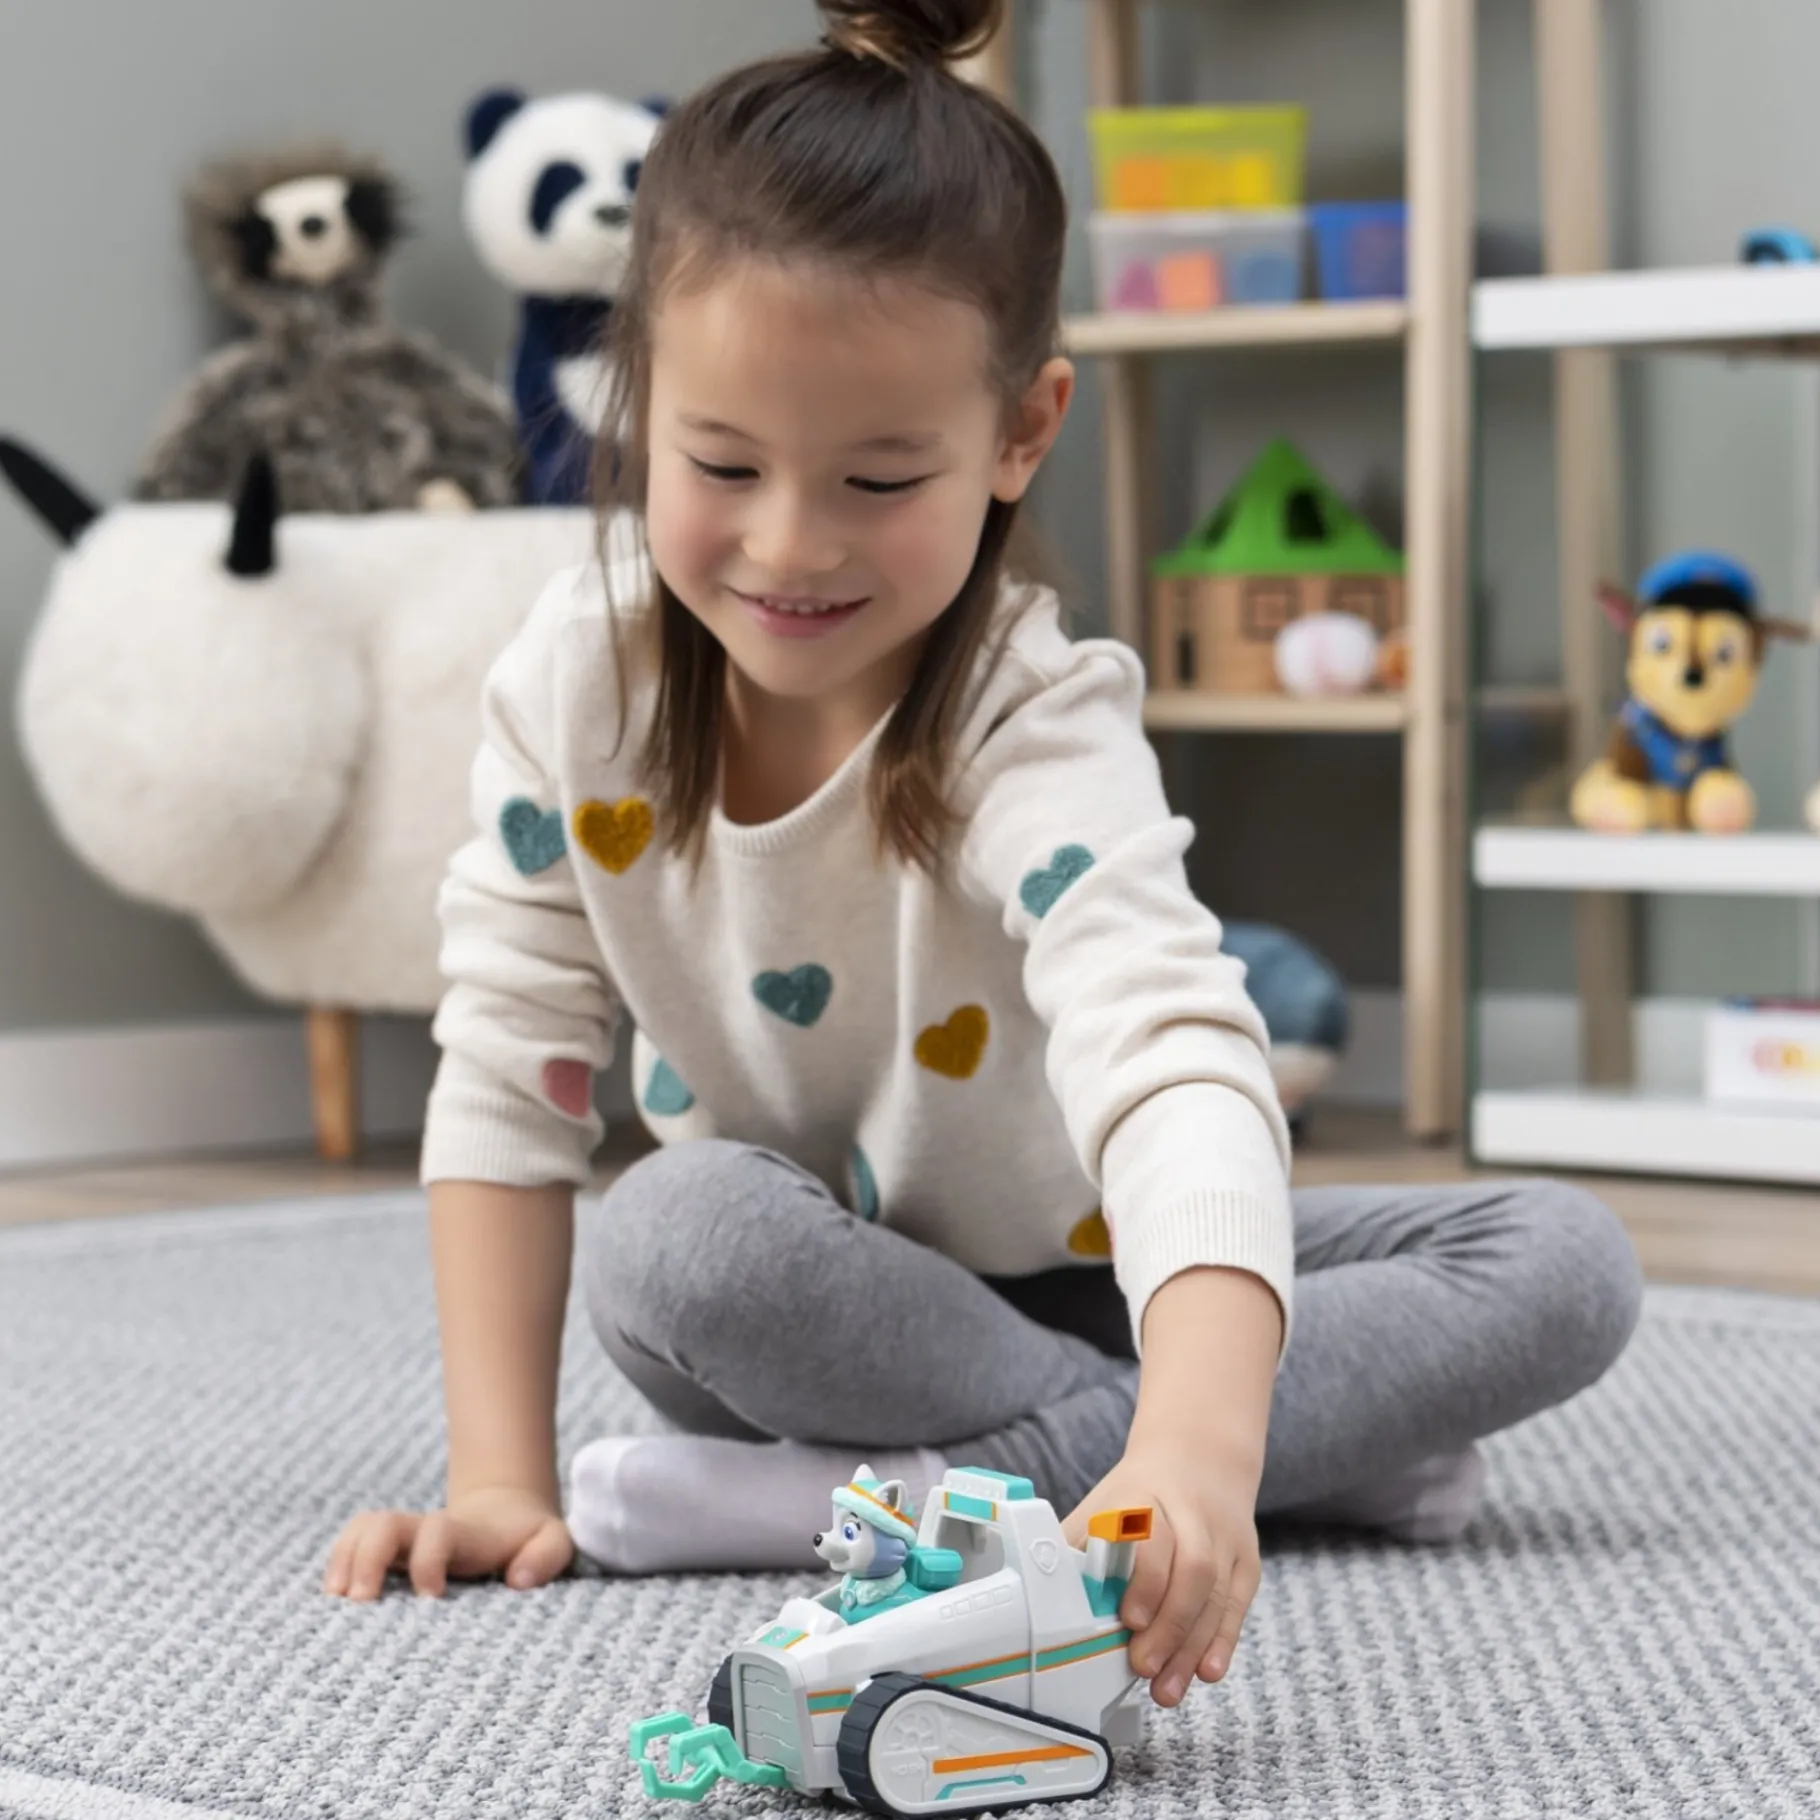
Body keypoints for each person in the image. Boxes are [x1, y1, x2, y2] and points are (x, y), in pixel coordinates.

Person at [324, 0, 1643, 1715]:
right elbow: (511, 1068)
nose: (790, 544)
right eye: (721, 464)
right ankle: (1283, 1454)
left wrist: (1198, 1435)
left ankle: (869, 1504)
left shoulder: (1035, 711)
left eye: (880, 479)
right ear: (642, 394)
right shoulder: (574, 683)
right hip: (815, 1310)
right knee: (677, 1237)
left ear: (1023, 430)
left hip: (1089, 1275)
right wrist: (500, 1479)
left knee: (1561, 1261)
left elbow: (1170, 1050)